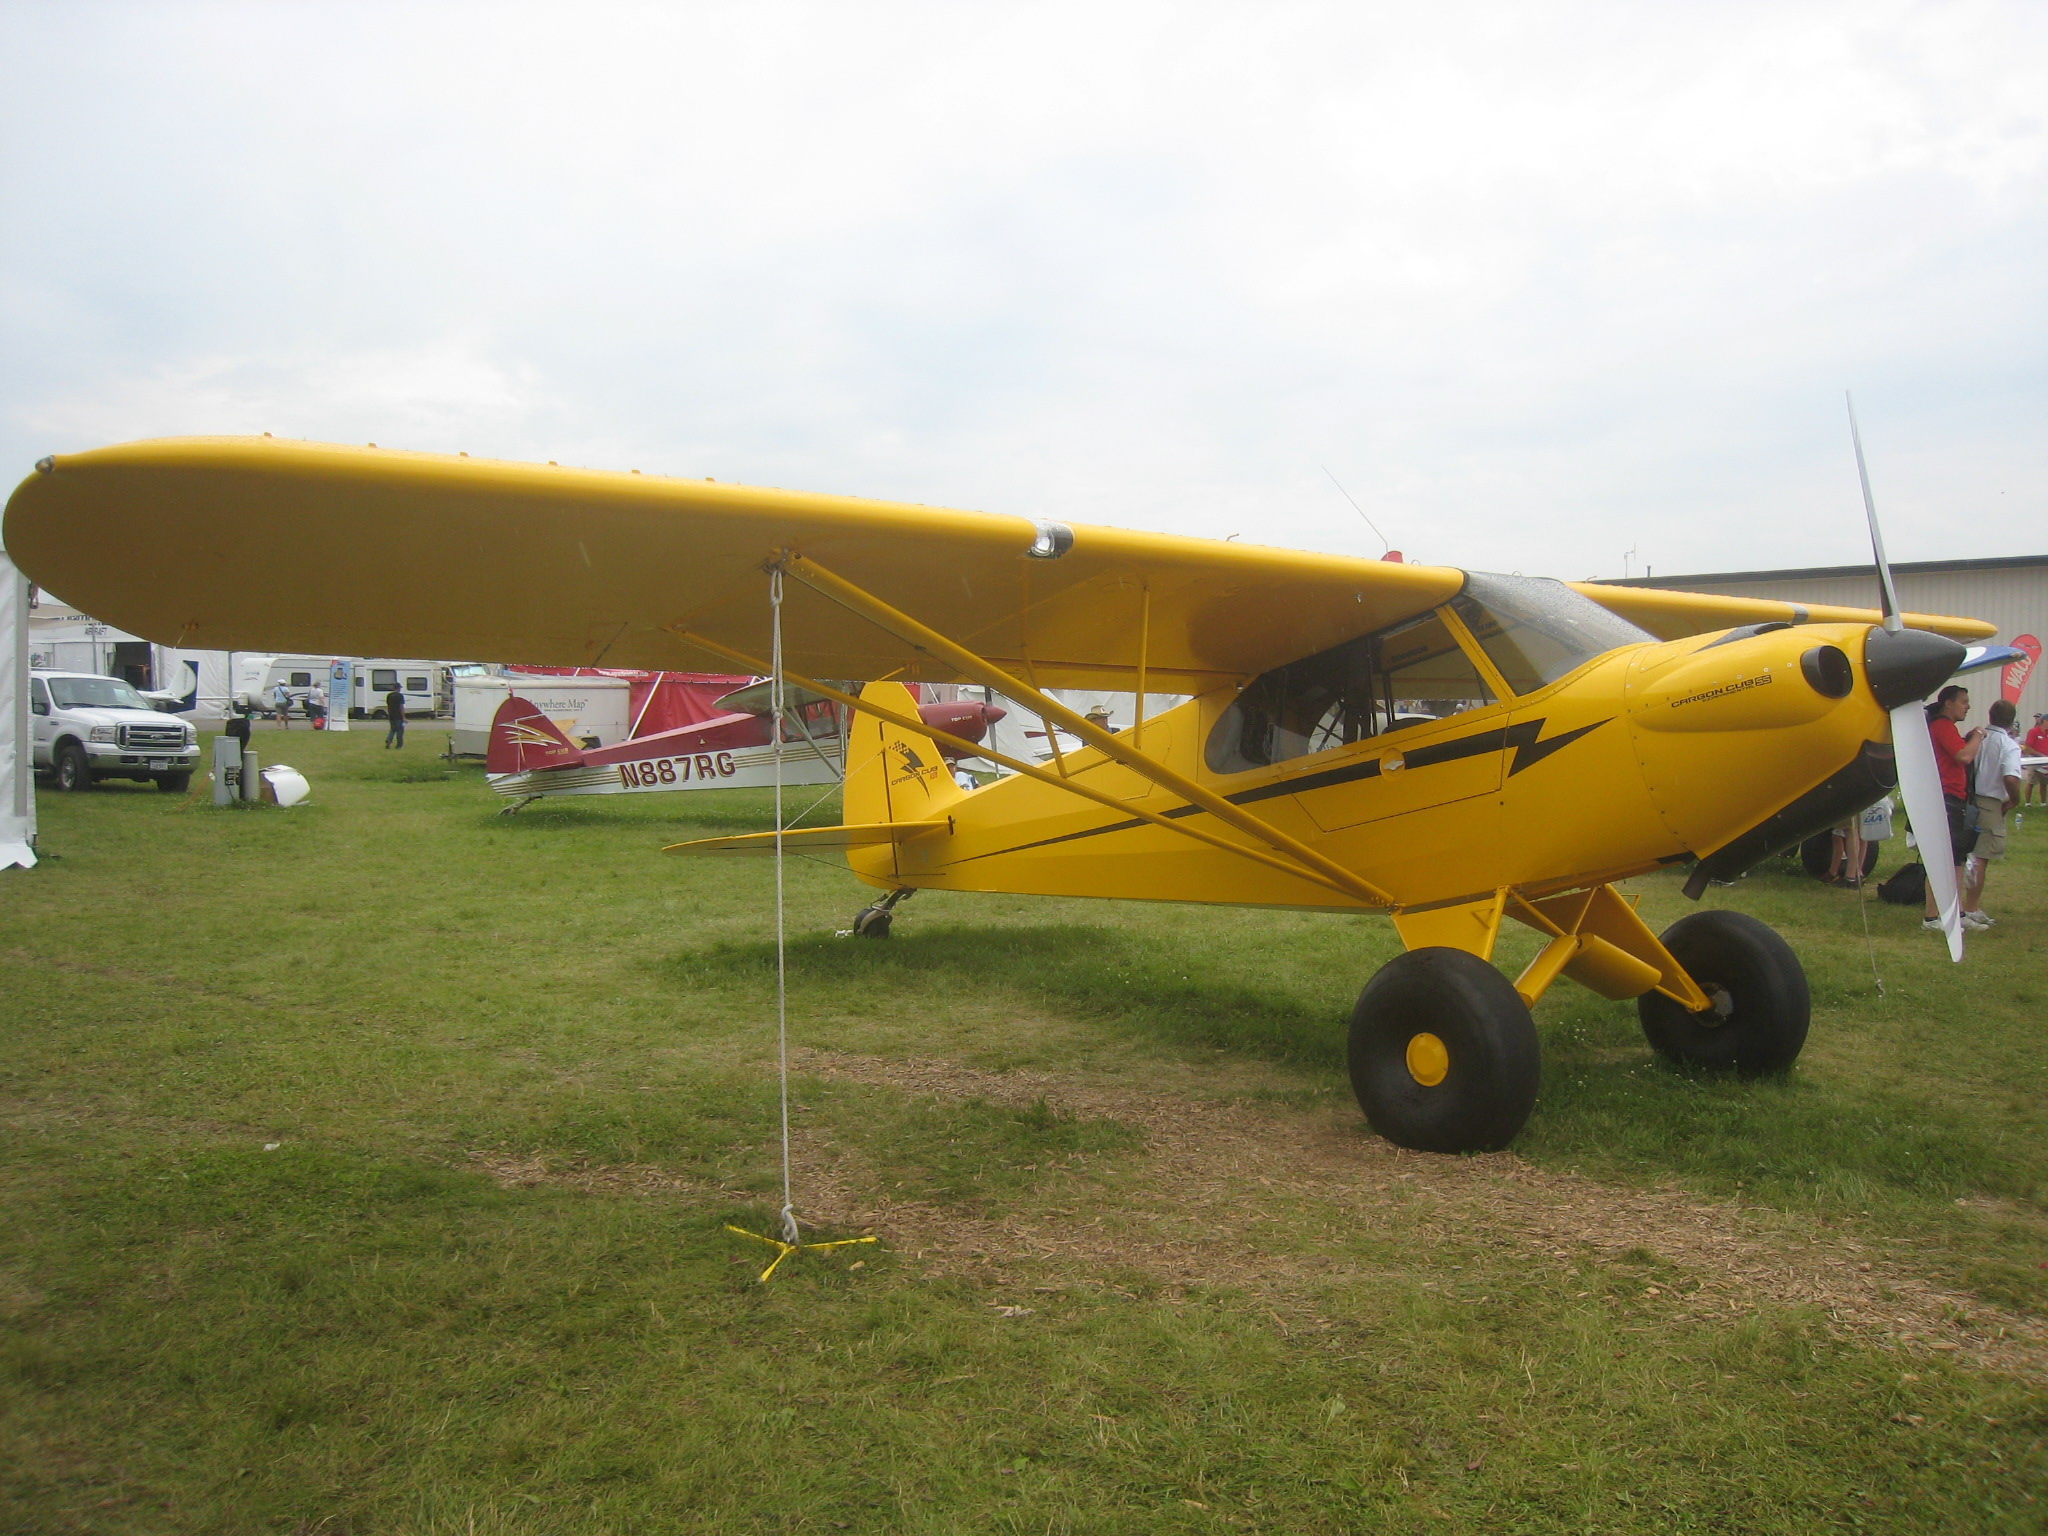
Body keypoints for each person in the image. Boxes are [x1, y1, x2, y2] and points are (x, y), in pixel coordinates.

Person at [1922, 685, 1982, 932]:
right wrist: (1978, 735)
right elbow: (1963, 756)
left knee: (1957, 858)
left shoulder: (1949, 728)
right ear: (1949, 704)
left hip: (1957, 799)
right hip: (1947, 798)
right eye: (1963, 701)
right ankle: (1932, 916)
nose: (1967, 706)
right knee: (1943, 857)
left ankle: (1956, 912)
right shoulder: (1942, 726)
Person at [1962, 700, 2023, 929]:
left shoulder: (1976, 737)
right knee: (1980, 858)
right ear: (2011, 720)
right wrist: (2014, 799)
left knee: (1964, 855)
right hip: (1989, 801)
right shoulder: (2009, 745)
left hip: (1968, 798)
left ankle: (1963, 906)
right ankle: (1971, 907)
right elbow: (2010, 777)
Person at [2025, 711, 2048, 806]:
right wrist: (2040, 754)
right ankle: (2027, 802)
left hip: (2045, 760)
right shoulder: (2034, 731)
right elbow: (2028, 747)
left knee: (2044, 782)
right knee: (2031, 781)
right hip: (2034, 759)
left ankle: (2043, 802)